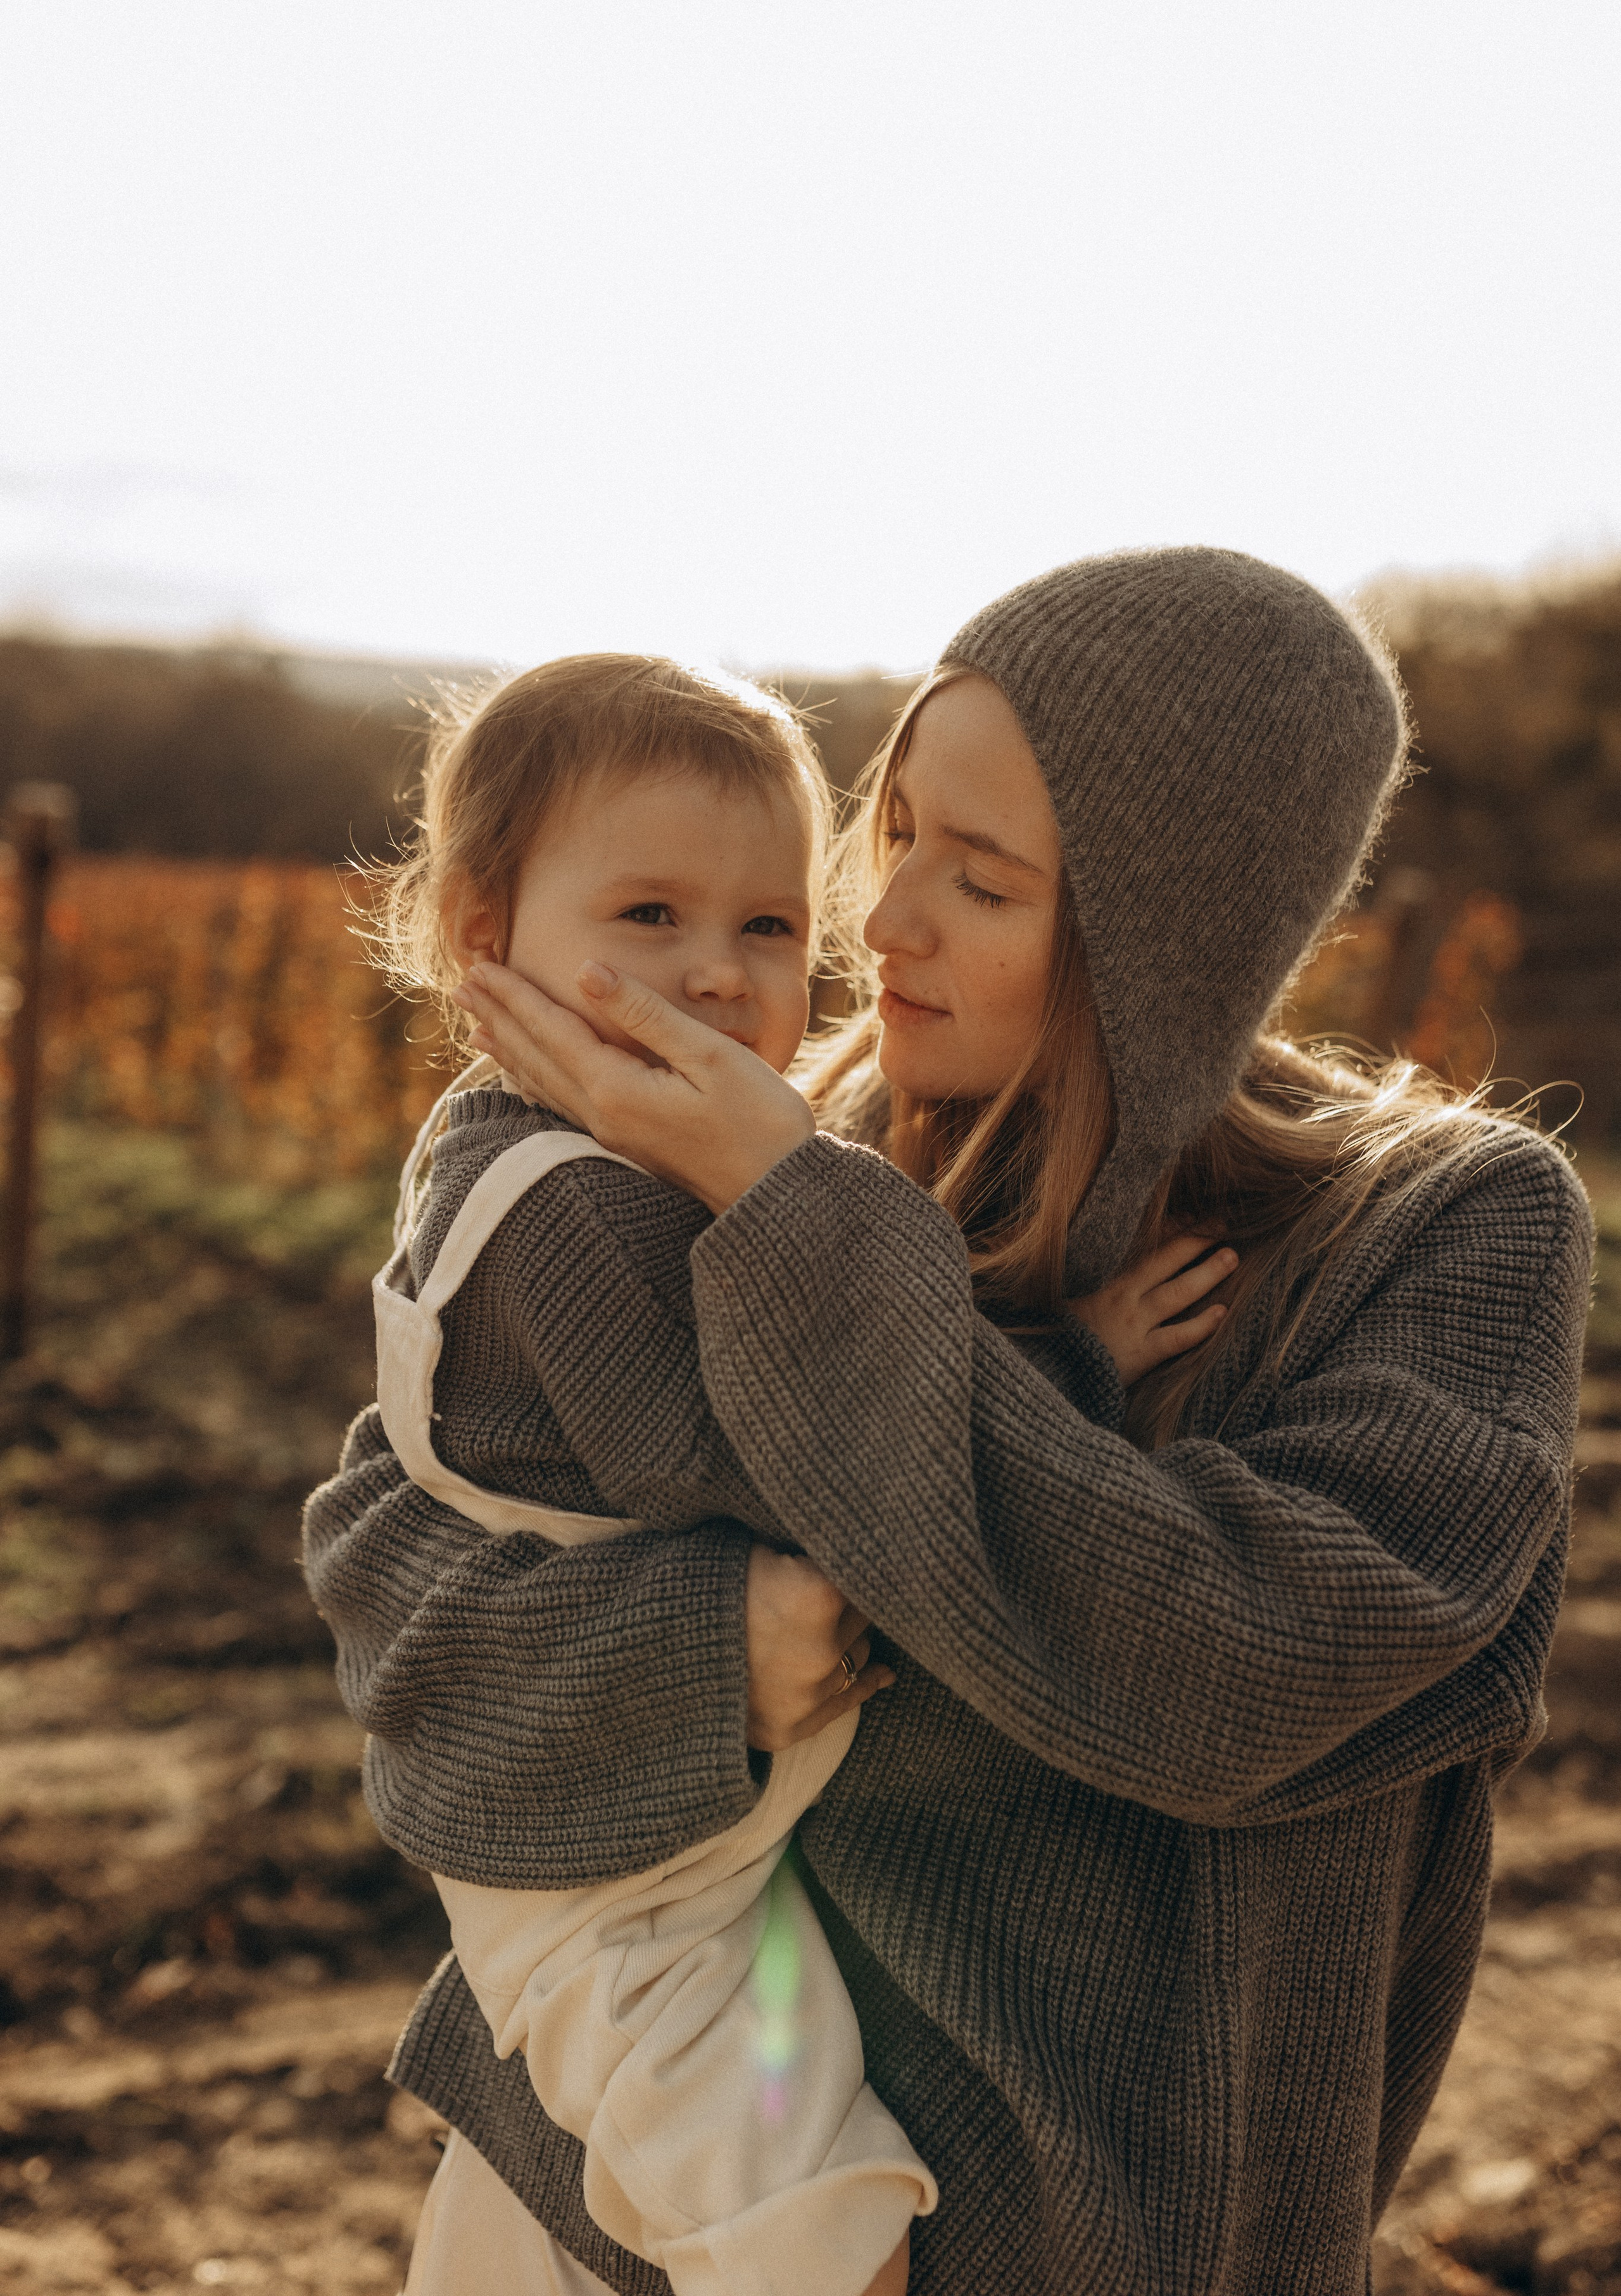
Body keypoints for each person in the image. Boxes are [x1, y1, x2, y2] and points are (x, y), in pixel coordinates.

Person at [309, 549, 1592, 2295]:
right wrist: (713, 1653)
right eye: (895, 826)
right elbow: (395, 1566)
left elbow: (1236, 1668)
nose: (880, 921)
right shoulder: (814, 1123)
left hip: (1064, 2244)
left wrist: (798, 1225)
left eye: (978, 880)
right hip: (622, 2176)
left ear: (1172, 941)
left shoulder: (1440, 1226)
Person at [309, 647, 1224, 2296]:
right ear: (478, 934)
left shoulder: (580, 1158)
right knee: (813, 2239)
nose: (722, 976)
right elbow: (798, 1461)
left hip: (669, 1846)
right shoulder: (575, 1214)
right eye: (648, 916)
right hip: (612, 1890)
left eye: (772, 926)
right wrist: (1070, 1361)